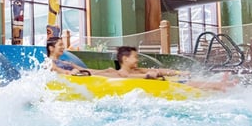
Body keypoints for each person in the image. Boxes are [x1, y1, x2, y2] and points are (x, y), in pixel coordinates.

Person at [93, 46, 237, 91]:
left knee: (188, 81)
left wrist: (179, 72)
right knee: (190, 85)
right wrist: (74, 69)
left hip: (165, 83)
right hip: (163, 86)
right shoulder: (115, 73)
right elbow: (95, 73)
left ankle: (222, 85)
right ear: (125, 59)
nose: (137, 60)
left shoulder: (138, 70)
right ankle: (222, 85)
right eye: (135, 57)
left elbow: (161, 71)